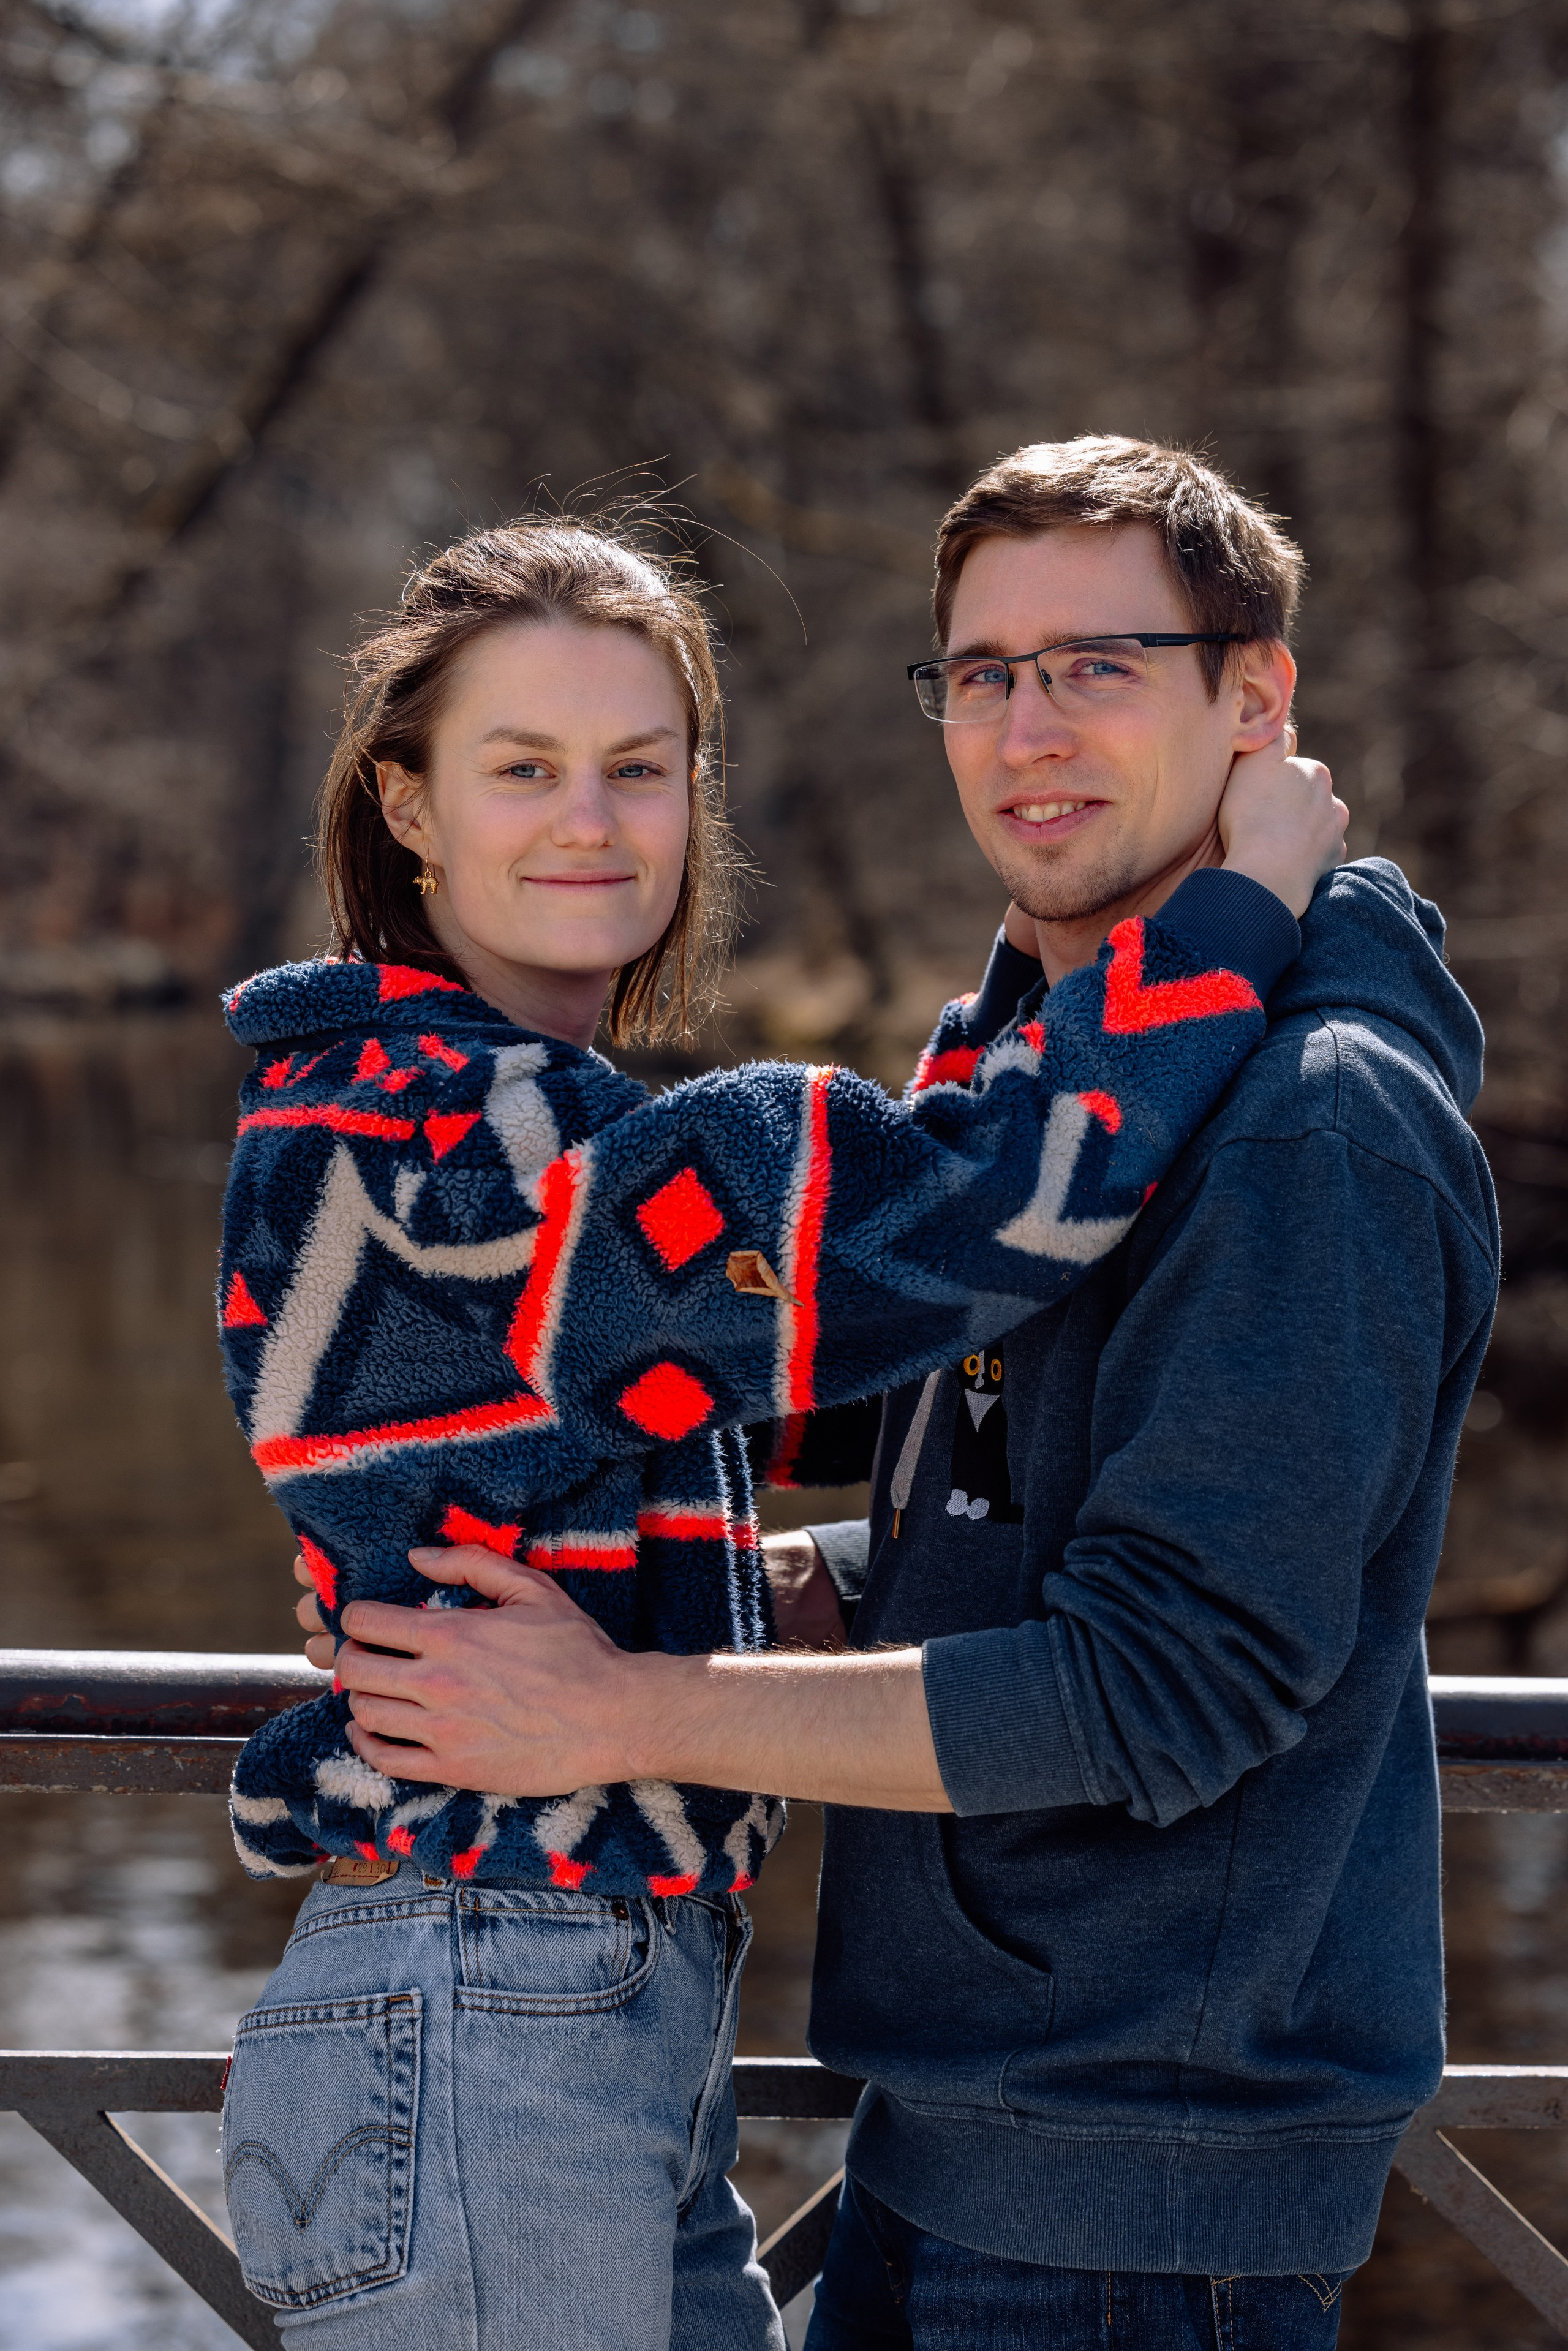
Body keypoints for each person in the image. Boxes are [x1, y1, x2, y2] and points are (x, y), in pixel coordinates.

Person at [309, 441, 1498, 2351]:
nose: (1029, 726)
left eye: (1101, 663)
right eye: (984, 673)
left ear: (1255, 699)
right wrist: (756, 1589)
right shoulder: (1034, 1089)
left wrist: (622, 1704)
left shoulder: (1305, 1126)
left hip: (1132, 2207)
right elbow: (1020, 1514)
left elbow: (1166, 1678)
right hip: (948, 2144)